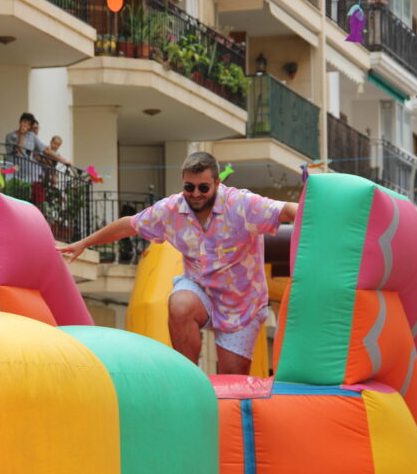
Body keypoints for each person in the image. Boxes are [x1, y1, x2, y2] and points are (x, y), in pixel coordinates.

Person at [58, 152, 298, 374]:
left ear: (216, 183)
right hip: (200, 290)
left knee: (232, 379)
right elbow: (129, 225)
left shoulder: (241, 204)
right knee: (180, 303)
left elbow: (286, 211)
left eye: (203, 187)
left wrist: (322, 213)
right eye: (189, 187)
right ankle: (190, 377)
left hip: (241, 302)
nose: (195, 194)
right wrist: (85, 243)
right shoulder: (172, 209)